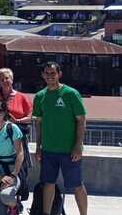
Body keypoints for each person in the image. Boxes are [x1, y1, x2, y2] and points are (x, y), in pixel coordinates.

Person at [33, 62, 88, 215]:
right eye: (47, 73)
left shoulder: (71, 94)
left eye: (53, 73)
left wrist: (78, 145)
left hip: (70, 150)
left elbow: (81, 120)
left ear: (59, 74)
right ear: (43, 75)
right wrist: (38, 147)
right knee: (48, 184)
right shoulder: (40, 97)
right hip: (49, 150)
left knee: (77, 185)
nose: (50, 76)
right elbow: (39, 123)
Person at [0, 68, 33, 174]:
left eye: (7, 78)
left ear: (12, 79)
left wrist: (17, 121)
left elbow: (30, 116)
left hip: (16, 137)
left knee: (20, 169)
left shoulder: (22, 97)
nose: (4, 81)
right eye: (1, 79)